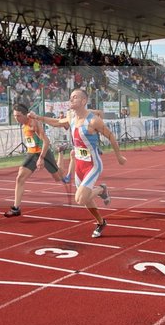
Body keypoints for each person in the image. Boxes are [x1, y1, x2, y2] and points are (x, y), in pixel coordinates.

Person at [30, 89, 126, 238]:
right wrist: (38, 117)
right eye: (70, 98)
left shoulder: (94, 121)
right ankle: (101, 222)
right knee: (86, 199)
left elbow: (111, 136)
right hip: (79, 166)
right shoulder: (71, 117)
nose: (71, 100)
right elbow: (56, 122)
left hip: (93, 165)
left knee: (80, 198)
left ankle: (101, 189)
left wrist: (119, 156)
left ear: (83, 101)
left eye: (74, 97)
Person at [3, 104, 66, 217]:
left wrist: (41, 158)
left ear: (25, 114)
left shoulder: (33, 124)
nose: (17, 118)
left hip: (43, 153)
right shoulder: (24, 124)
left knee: (59, 178)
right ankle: (16, 208)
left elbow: (46, 142)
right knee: (20, 178)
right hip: (31, 153)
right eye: (15, 116)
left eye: (18, 116)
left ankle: (61, 153)